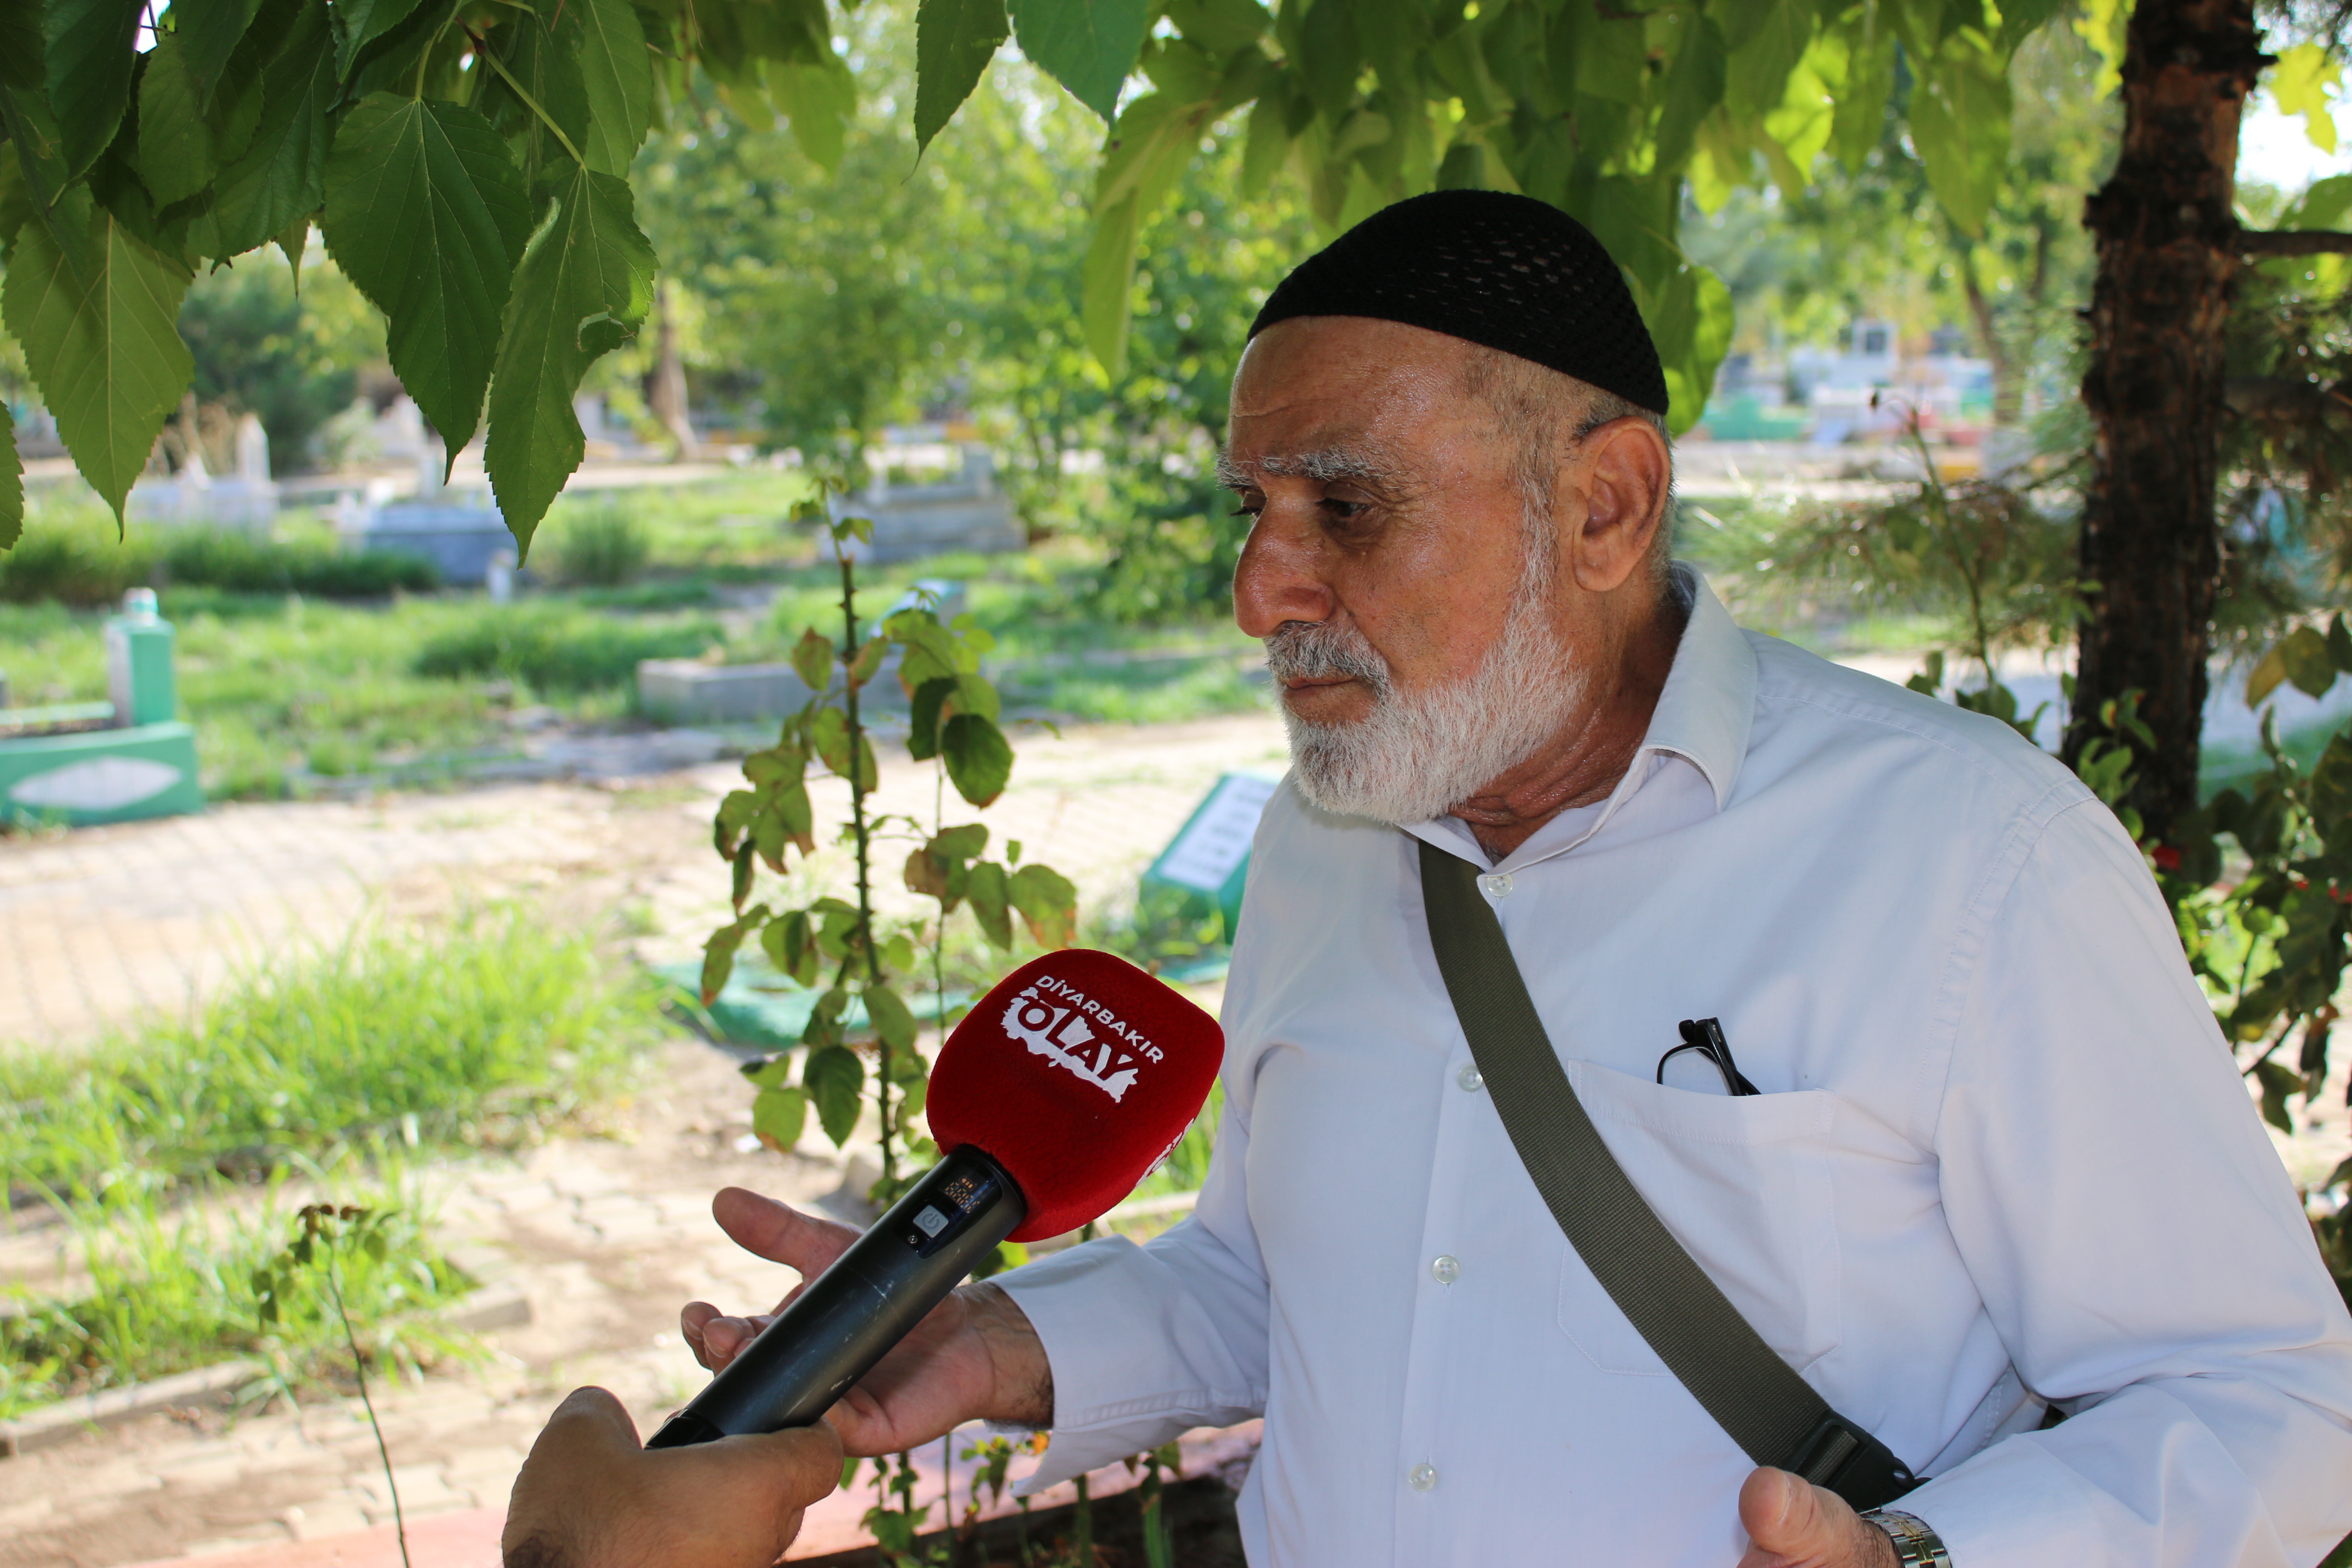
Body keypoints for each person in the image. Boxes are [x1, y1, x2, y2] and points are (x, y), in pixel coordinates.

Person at [668, 191, 2352, 1566]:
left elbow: (2266, 1401)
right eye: (1255, 507)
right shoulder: (1322, 847)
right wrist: (1001, 1349)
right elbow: (1269, 1278)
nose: (1264, 589)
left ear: (1606, 506)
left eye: (1347, 504)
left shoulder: (1970, 858)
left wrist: (1928, 1560)